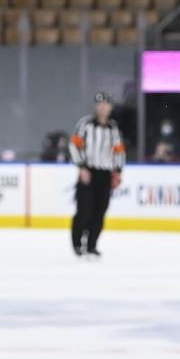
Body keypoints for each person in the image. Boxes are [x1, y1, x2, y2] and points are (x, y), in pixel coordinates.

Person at [68, 91, 125, 259]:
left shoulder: (113, 128)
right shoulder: (85, 124)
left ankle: (92, 245)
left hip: (105, 174)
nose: (103, 107)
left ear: (111, 107)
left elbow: (119, 150)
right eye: (100, 104)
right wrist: (82, 167)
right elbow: (74, 146)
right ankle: (78, 244)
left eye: (106, 104)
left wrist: (118, 171)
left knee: (100, 211)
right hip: (88, 171)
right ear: (96, 106)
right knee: (84, 210)